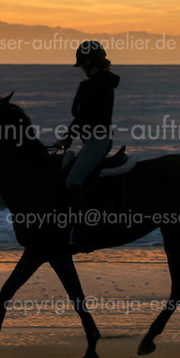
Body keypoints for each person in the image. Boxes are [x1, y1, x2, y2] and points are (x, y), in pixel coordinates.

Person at [52, 40, 120, 248]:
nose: (81, 69)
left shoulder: (94, 85)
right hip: (93, 140)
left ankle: (84, 230)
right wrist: (69, 137)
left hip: (96, 142)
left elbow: (82, 116)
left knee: (73, 181)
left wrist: (68, 136)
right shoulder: (103, 82)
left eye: (82, 65)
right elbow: (82, 118)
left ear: (89, 63)